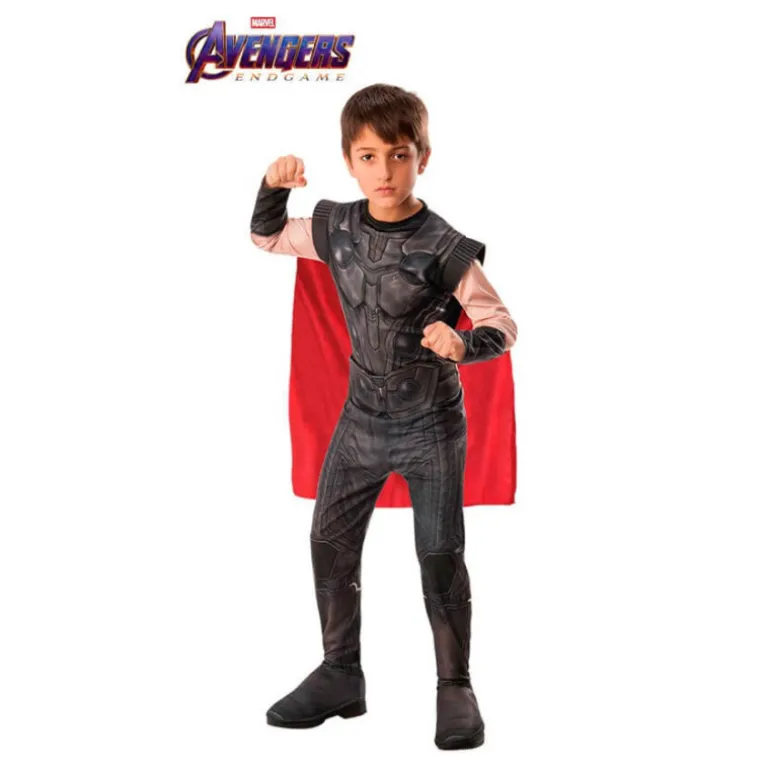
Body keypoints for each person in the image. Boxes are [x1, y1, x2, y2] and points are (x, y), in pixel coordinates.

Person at [249, 83, 517, 750]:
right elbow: (269, 237)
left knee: (439, 555)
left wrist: (465, 343)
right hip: (360, 421)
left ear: (423, 156)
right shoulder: (335, 227)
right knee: (328, 542)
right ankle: (341, 673)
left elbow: (502, 322)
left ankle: (455, 687)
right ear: (348, 161)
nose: (385, 171)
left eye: (399, 155)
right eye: (369, 157)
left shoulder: (445, 246)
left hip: (430, 427)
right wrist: (271, 186)